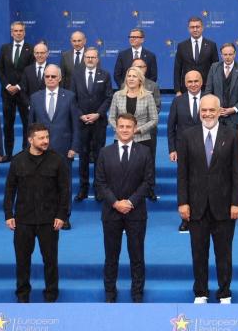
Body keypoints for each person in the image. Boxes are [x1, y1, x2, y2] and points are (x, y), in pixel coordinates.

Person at [177, 95, 238, 304]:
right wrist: (183, 202)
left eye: (211, 110)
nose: (207, 114)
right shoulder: (187, 136)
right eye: (204, 110)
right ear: (199, 112)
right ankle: (201, 292)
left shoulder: (232, 135)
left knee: (224, 253)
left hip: (224, 207)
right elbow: (182, 173)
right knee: (199, 252)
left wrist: (236, 203)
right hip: (196, 206)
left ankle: (224, 292)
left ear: (219, 111)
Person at [4, 124, 71, 303]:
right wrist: (8, 214)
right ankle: (22, 295)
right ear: (30, 139)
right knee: (22, 261)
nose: (45, 141)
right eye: (41, 138)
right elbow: (9, 189)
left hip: (49, 220)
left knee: (50, 261)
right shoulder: (18, 160)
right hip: (23, 220)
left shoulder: (57, 160)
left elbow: (65, 191)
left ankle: (51, 295)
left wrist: (61, 215)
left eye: (47, 137)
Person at [95, 113, 155, 303]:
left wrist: (130, 202)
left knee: (137, 255)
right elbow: (100, 182)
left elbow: (148, 181)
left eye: (128, 126)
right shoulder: (105, 152)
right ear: (116, 128)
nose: (125, 130)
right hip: (111, 212)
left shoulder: (145, 152)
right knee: (111, 256)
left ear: (135, 128)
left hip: (136, 212)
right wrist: (115, 203)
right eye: (121, 126)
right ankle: (110, 293)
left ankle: (137, 293)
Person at [27, 65, 78, 228]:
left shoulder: (69, 96)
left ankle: (64, 216)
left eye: (53, 76)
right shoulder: (35, 97)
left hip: (63, 148)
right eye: (47, 76)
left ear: (60, 78)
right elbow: (30, 125)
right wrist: (29, 147)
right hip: (39, 149)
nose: (50, 79)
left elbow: (76, 124)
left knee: (64, 184)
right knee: (40, 183)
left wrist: (74, 147)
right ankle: (45, 215)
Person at [109, 66, 159, 201]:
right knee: (121, 170)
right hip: (120, 138)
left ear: (140, 80)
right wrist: (121, 130)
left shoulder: (148, 96)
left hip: (142, 138)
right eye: (129, 76)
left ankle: (143, 194)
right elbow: (111, 117)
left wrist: (138, 130)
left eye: (134, 76)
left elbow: (154, 119)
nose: (131, 79)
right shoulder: (117, 95)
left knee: (142, 171)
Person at [71, 47, 113, 202]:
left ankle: (98, 188)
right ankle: (83, 188)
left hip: (99, 122)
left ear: (97, 59)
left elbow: (109, 97)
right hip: (81, 122)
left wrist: (98, 114)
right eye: (87, 57)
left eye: (93, 57)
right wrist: (81, 115)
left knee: (98, 156)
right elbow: (72, 98)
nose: (90, 59)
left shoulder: (105, 75)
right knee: (83, 156)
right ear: (84, 59)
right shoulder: (76, 75)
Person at [0, 21, 33, 160]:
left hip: (24, 93)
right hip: (7, 94)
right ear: (11, 33)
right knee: (8, 125)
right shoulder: (4, 48)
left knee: (27, 124)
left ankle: (26, 152)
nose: (18, 33)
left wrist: (18, 86)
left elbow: (30, 71)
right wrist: (7, 86)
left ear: (24, 32)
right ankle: (8, 153)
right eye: (15, 31)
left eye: (20, 31)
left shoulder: (30, 49)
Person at [205, 42, 238, 134]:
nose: (228, 57)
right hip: (216, 116)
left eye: (230, 54)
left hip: (234, 118)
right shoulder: (214, 68)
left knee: (234, 142)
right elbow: (208, 92)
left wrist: (234, 109)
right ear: (221, 55)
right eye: (225, 54)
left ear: (235, 54)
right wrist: (216, 108)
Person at [174, 16, 218, 94]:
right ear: (188, 29)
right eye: (192, 27)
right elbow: (177, 70)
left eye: (197, 27)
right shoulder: (181, 46)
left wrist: (214, 89)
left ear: (202, 28)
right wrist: (177, 90)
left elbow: (215, 69)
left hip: (207, 89)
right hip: (187, 89)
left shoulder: (211, 45)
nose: (195, 29)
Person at [19, 42, 51, 121]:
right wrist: (30, 105)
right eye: (37, 53)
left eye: (42, 53)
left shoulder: (53, 69)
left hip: (49, 111)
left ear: (47, 54)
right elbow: (23, 91)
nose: (39, 55)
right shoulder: (27, 70)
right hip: (30, 111)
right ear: (34, 54)